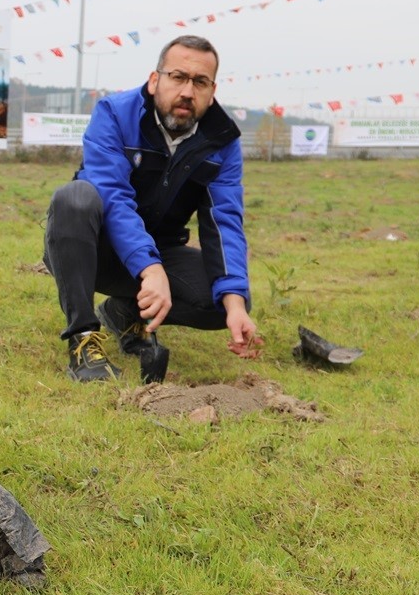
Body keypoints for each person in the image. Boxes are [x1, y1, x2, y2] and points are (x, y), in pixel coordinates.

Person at [42, 35, 260, 383]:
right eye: (178, 77)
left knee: (224, 300)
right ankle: (83, 337)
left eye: (200, 82)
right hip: (94, 251)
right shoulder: (114, 113)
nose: (188, 91)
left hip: (162, 248)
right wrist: (150, 267)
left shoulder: (222, 140)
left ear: (212, 90)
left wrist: (235, 301)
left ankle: (125, 311)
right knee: (75, 197)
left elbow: (224, 221)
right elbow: (112, 196)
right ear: (155, 79)